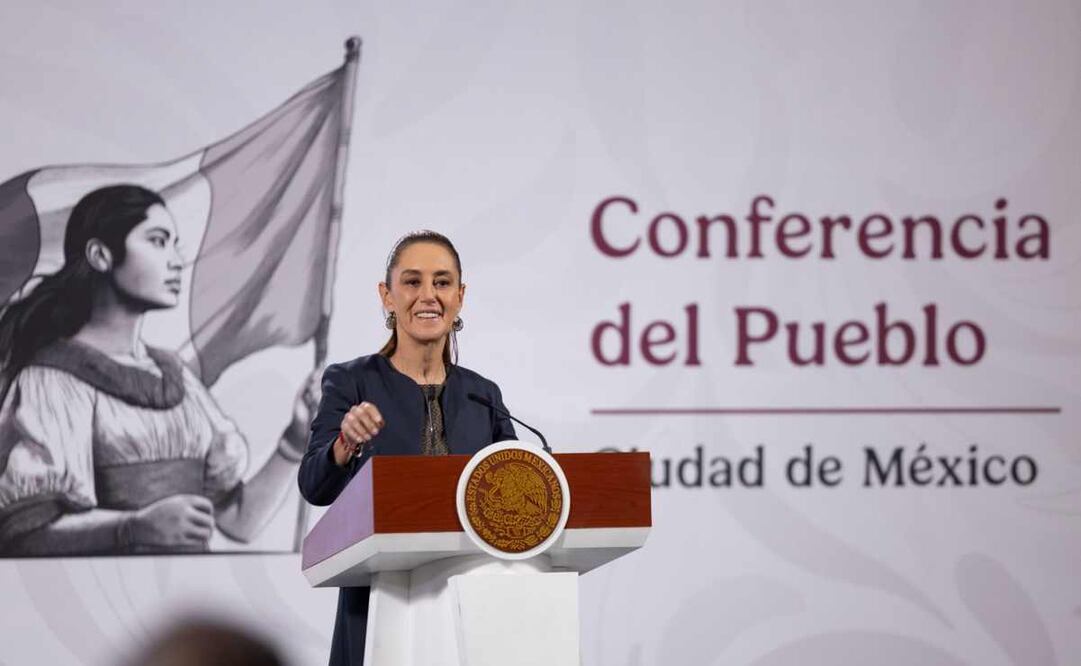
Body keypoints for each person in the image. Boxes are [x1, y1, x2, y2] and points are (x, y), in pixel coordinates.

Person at [0, 184, 316, 555]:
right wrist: (132, 527)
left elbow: (238, 521)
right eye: (158, 241)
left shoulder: (176, 376)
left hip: (188, 587)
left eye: (174, 244)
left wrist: (296, 441)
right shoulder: (52, 380)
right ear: (100, 255)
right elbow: (24, 532)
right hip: (102, 590)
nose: (177, 260)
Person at [297, 230, 516, 665]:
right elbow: (314, 485)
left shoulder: (483, 395)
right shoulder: (352, 381)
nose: (428, 295)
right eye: (412, 282)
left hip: (471, 606)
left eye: (442, 282)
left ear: (460, 296)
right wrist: (345, 443)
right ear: (387, 296)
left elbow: (515, 485)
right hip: (379, 601)